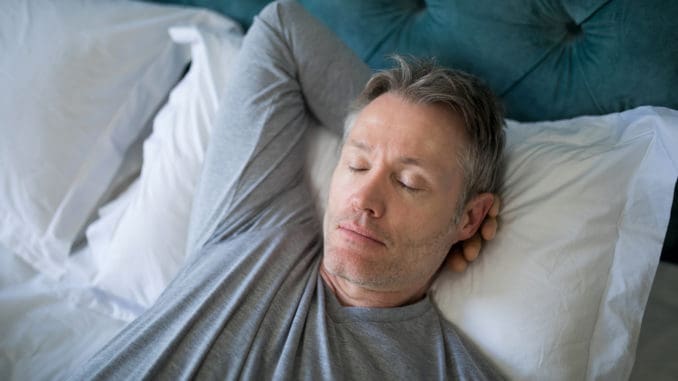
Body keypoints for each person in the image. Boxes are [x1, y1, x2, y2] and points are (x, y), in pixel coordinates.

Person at [72, 0, 505, 379]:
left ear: (471, 217)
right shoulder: (250, 225)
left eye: (409, 182)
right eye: (356, 163)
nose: (363, 199)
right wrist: (385, 120)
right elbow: (281, 28)